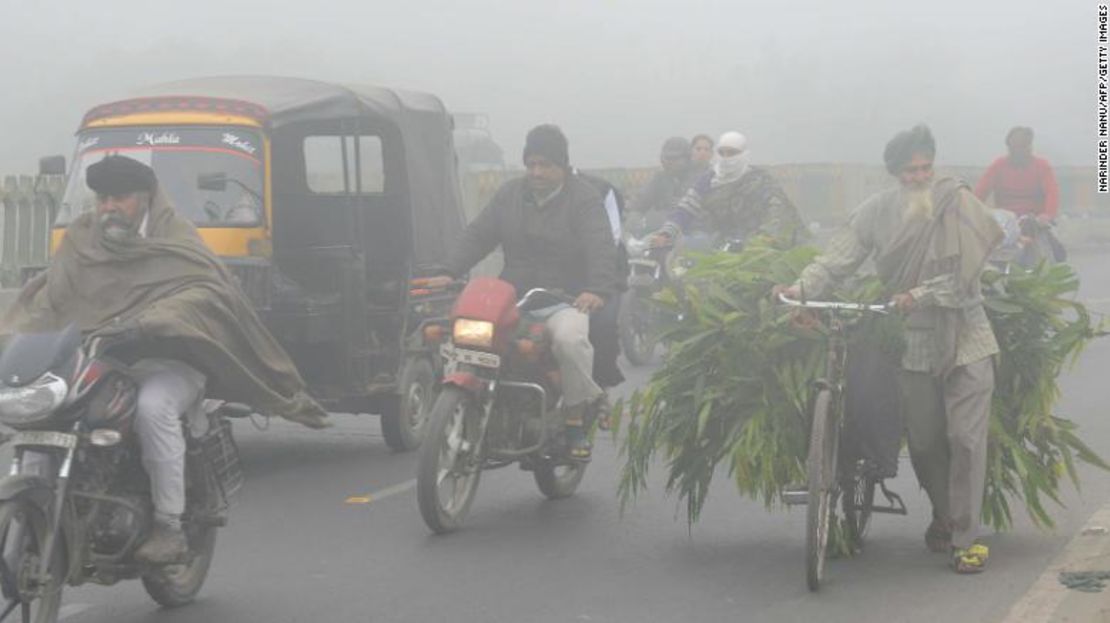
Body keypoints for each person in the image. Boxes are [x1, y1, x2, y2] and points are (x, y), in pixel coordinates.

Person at [1, 155, 330, 564]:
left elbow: (206, 293)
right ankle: (31, 510)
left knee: (151, 408)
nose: (108, 207)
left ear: (145, 198)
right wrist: (21, 332)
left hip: (171, 359)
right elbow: (56, 296)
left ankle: (168, 525)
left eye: (119, 198)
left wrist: (153, 321)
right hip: (100, 358)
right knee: (46, 411)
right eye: (102, 198)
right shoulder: (82, 238)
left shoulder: (175, 236)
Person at [776, 124, 1003, 574]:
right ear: (894, 173)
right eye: (909, 171)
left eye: (925, 168)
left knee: (966, 439)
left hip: (966, 335)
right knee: (922, 441)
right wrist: (801, 289)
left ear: (934, 166)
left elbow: (965, 278)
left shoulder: (958, 202)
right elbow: (837, 258)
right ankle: (945, 513)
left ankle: (965, 538)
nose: (919, 177)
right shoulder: (875, 211)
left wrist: (918, 295)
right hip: (914, 340)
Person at [427, 125, 618, 461]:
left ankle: (575, 418)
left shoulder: (584, 199)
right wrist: (447, 271)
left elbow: (600, 245)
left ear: (562, 166)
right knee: (464, 335)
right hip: (513, 294)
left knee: (570, 342)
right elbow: (478, 235)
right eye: (530, 164)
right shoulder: (509, 195)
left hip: (566, 298)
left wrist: (596, 289)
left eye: (545, 165)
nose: (536, 172)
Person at [655, 131, 808, 249]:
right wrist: (666, 233)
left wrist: (760, 242)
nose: (726, 157)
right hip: (723, 246)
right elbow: (687, 207)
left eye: (732, 153)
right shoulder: (709, 180)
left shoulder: (759, 181)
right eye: (722, 153)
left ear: (743, 154)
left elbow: (777, 213)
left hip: (759, 248)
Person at [574, 168, 628, 396]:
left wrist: (597, 287)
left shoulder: (602, 190)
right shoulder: (525, 192)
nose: (538, 173)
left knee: (603, 325)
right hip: (552, 275)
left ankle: (601, 388)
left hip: (601, 274)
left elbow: (611, 240)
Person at [974, 126, 1060, 224]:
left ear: (1029, 147)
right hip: (1004, 222)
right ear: (1009, 148)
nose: (1018, 151)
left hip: (1034, 222)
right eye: (1014, 148)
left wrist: (1048, 214)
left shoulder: (1042, 166)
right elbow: (980, 193)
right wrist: (973, 212)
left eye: (1022, 147)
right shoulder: (998, 166)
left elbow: (1052, 193)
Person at [628, 136, 700, 229]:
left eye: (674, 158)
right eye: (667, 158)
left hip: (693, 233)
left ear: (687, 158)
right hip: (661, 234)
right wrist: (632, 215)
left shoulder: (699, 179)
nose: (670, 162)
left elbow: (703, 211)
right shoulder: (660, 178)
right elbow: (640, 201)